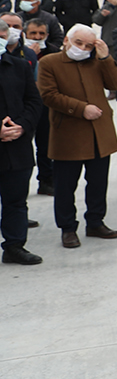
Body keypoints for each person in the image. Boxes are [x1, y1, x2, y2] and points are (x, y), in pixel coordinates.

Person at [38, 25, 117, 247]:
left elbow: (115, 85)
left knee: (98, 182)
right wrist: (81, 108)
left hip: (99, 133)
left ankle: (95, 222)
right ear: (66, 40)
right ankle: (67, 228)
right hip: (69, 133)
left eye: (88, 46)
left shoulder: (96, 61)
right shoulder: (49, 62)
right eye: (78, 43)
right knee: (65, 185)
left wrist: (105, 58)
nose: (82, 49)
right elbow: (49, 95)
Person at [0, 16, 44, 264]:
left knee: (16, 201)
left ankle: (14, 246)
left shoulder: (19, 66)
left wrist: (22, 126)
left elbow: (34, 101)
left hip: (17, 145)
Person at [22, 19, 56, 196]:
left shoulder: (53, 52)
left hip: (45, 105)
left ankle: (46, 180)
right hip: (23, 106)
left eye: (41, 34)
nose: (37, 37)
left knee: (45, 144)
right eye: (33, 34)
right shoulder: (19, 52)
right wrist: (30, 57)